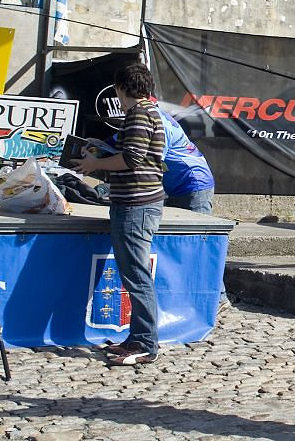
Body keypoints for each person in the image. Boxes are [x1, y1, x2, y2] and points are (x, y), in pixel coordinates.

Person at [73, 63, 166, 366]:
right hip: (137, 204)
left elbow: (132, 158)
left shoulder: (139, 114)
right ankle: (138, 337)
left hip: (135, 207)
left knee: (137, 276)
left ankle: (144, 343)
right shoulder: (152, 114)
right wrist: (102, 152)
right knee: (135, 275)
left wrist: (95, 165)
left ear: (120, 89)